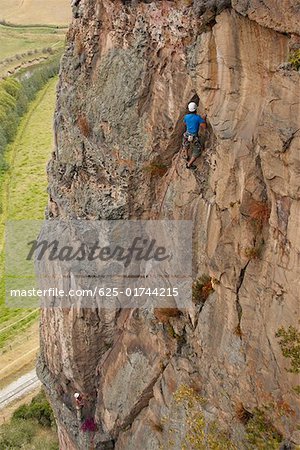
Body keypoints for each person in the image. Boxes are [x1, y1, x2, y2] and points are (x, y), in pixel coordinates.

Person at [182, 102, 206, 170]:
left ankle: (186, 155)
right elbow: (204, 126)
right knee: (197, 150)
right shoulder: (198, 118)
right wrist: (203, 119)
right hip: (194, 136)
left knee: (185, 144)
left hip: (187, 134)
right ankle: (189, 165)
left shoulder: (186, 116)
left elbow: (185, 123)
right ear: (196, 109)